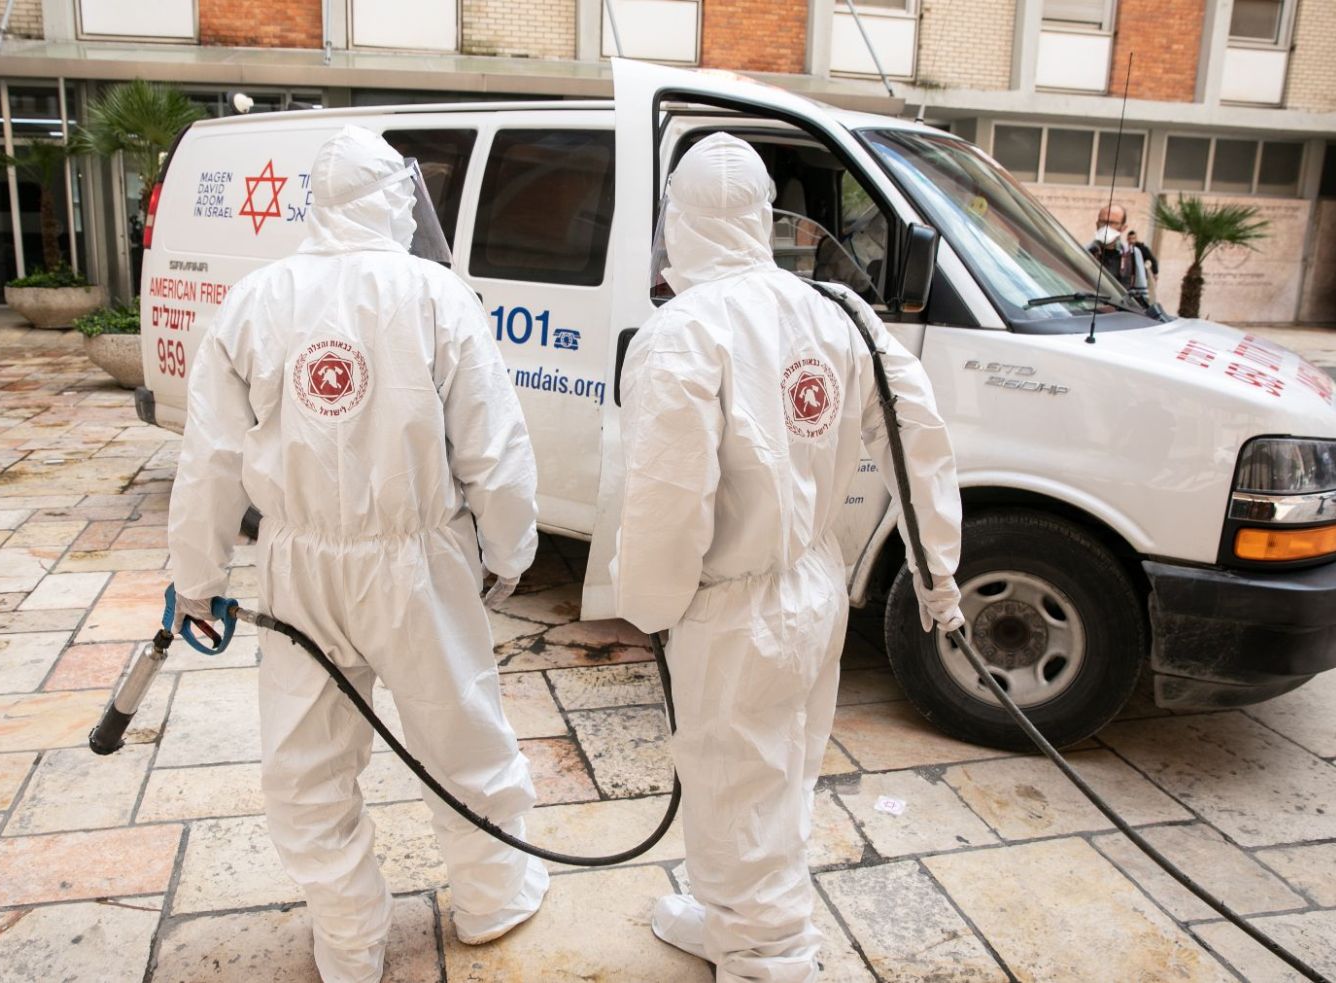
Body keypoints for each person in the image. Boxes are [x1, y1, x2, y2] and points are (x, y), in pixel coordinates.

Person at [166, 124, 548, 983]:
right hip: (420, 564)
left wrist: (197, 576)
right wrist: (511, 543)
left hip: (301, 567)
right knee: (463, 739)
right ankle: (491, 897)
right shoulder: (436, 294)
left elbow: (211, 458)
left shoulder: (256, 299)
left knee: (304, 762)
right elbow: (495, 442)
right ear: (393, 199)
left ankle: (347, 937)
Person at [611, 133, 964, 982]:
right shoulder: (835, 310)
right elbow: (917, 434)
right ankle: (728, 912)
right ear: (764, 215)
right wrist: (936, 572)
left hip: (730, 606)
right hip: (812, 584)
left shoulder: (682, 332)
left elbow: (666, 497)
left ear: (678, 219)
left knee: (741, 777)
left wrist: (653, 605)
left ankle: (773, 958)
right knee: (777, 771)